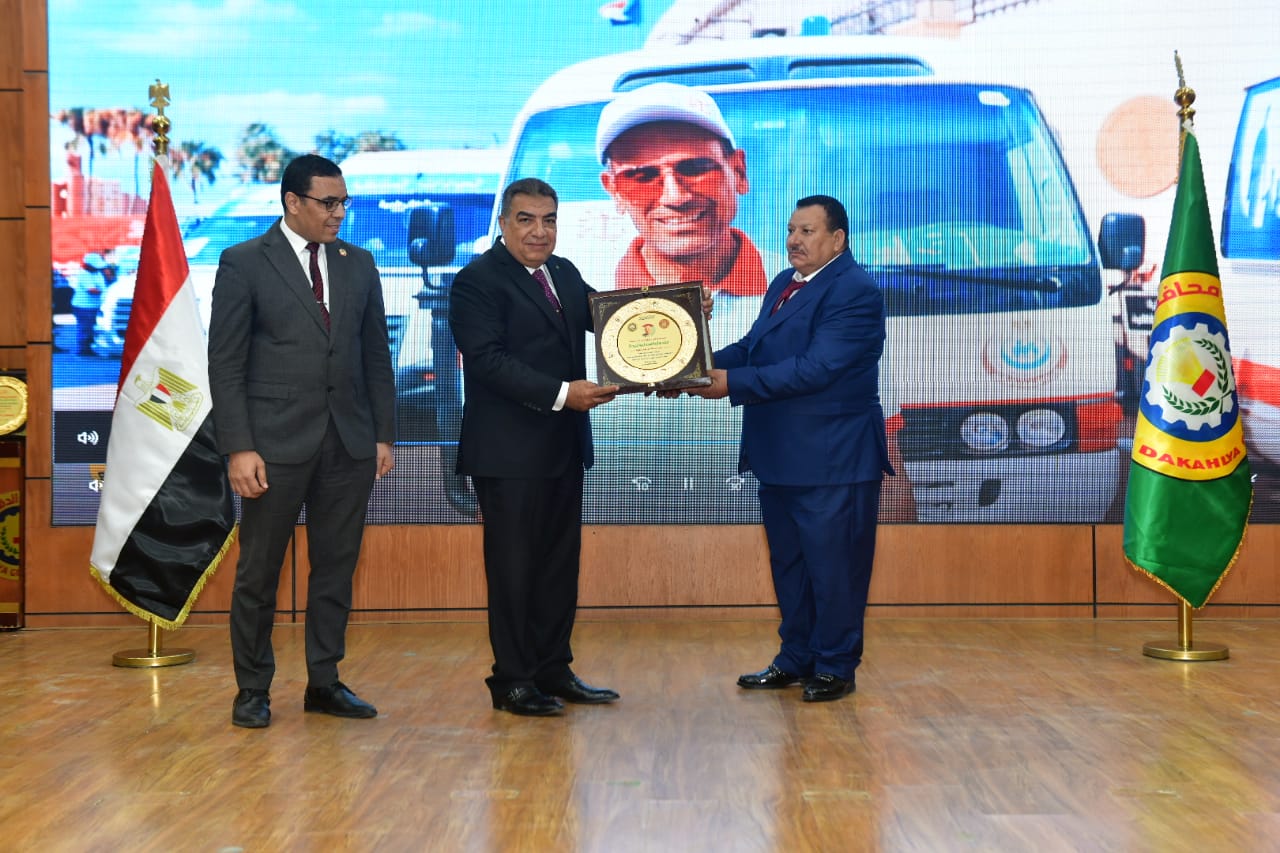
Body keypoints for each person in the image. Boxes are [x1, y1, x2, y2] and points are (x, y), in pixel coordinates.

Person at [208, 154, 396, 729]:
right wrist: (239, 447)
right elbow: (226, 363)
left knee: (335, 568)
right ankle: (252, 689)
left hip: (348, 443)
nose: (338, 213)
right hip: (272, 447)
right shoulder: (244, 262)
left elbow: (375, 356)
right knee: (259, 572)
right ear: (292, 202)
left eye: (343, 202)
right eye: (327, 203)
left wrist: (383, 434)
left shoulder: (359, 263)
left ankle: (324, 681)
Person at [684, 195, 894, 702]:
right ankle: (796, 657)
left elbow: (816, 369)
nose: (794, 241)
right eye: (790, 230)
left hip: (832, 460)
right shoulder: (784, 282)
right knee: (792, 567)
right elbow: (753, 348)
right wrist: (693, 366)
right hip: (780, 455)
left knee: (835, 570)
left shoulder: (855, 291)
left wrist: (730, 383)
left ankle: (835, 666)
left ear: (838, 239)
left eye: (807, 231)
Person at [448, 177, 621, 717]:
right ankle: (513, 680)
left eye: (548, 220)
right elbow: (487, 362)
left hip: (562, 448)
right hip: (508, 455)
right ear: (503, 223)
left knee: (557, 567)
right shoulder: (476, 281)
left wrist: (681, 309)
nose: (539, 231)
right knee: (514, 569)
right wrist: (564, 394)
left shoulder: (562, 272)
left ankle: (552, 669)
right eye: (526, 219)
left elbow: (610, 317)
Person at [597, 82, 768, 344]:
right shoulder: (583, 303)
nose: (675, 197)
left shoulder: (807, 287)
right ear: (615, 192)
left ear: (738, 172)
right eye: (643, 176)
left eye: (696, 168)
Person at [70, 252, 113, 356]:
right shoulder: (84, 274)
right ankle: (83, 350)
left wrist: (108, 274)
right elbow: (92, 290)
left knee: (92, 327)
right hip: (83, 306)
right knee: (85, 328)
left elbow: (108, 282)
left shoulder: (97, 273)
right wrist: (108, 292)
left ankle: (88, 348)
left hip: (94, 306)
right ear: (88, 265)